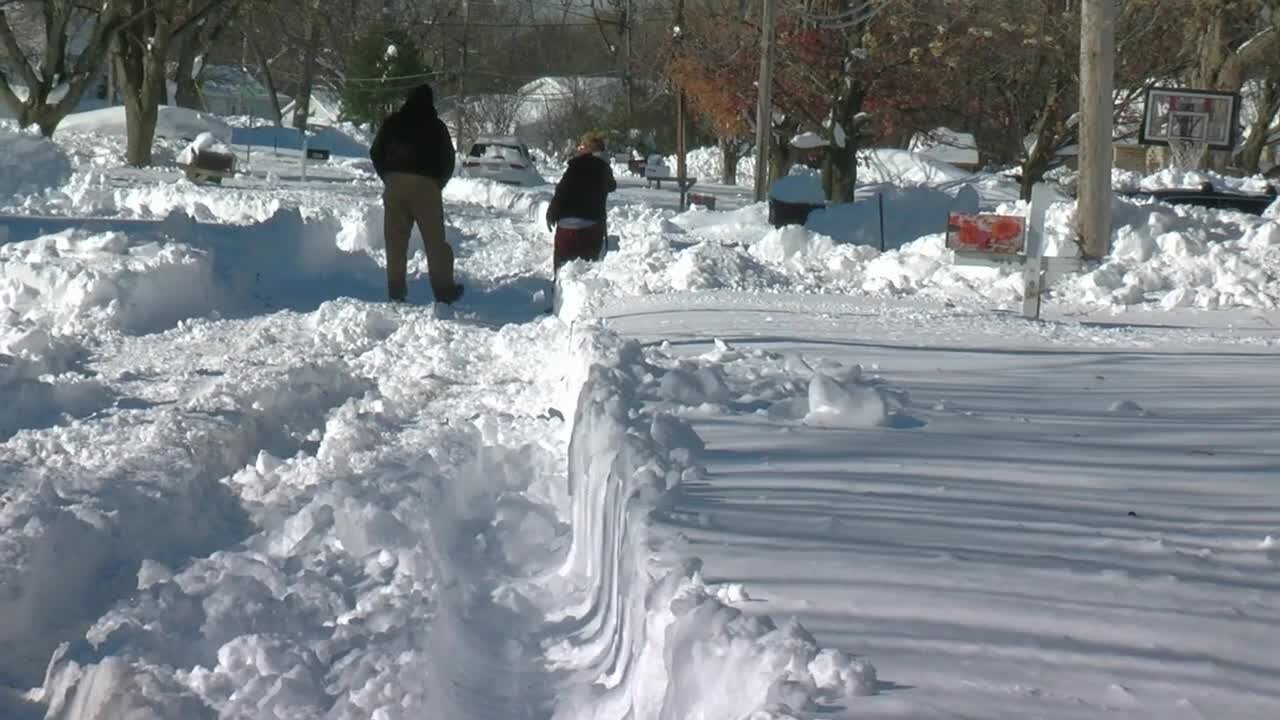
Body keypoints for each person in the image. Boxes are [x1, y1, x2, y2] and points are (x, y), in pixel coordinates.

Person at [369, 83, 463, 304]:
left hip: (395, 183)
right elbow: (448, 160)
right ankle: (444, 292)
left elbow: (375, 152)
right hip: (426, 185)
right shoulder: (437, 126)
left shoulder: (392, 123)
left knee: (395, 243)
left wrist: (388, 176)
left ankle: (396, 293)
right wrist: (437, 184)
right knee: (435, 243)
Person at [545, 134, 617, 273]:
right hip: (592, 226)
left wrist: (551, 213)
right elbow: (612, 186)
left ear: (588, 149)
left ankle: (558, 284)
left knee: (561, 265)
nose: (578, 149)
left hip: (567, 226)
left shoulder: (575, 166)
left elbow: (561, 191)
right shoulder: (603, 168)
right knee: (587, 270)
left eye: (581, 146)